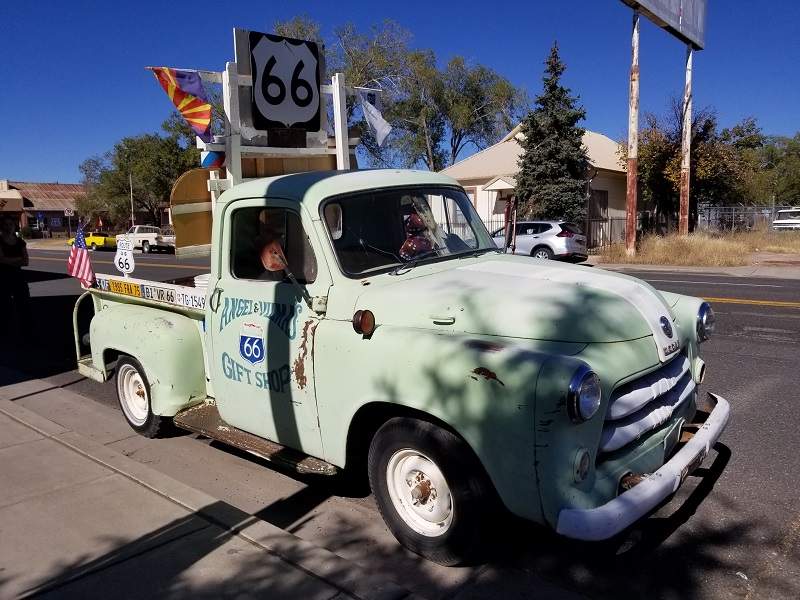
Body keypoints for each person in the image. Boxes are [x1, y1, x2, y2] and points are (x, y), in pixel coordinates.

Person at [0, 214, 31, 324]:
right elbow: (1, 260)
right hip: (3, 277)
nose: (9, 227)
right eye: (6, 225)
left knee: (23, 300)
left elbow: (26, 261)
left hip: (18, 276)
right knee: (5, 302)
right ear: (2, 227)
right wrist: (18, 259)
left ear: (14, 226)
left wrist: (8, 260)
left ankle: (25, 324)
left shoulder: (20, 242)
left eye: (11, 224)